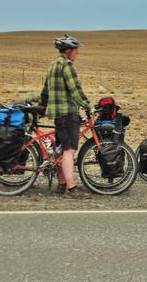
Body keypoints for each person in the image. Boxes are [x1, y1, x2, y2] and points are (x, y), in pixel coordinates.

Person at [40, 34, 91, 197]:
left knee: (61, 150)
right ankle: (71, 188)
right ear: (68, 50)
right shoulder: (67, 66)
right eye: (76, 50)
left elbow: (45, 91)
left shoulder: (53, 66)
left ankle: (61, 184)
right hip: (68, 113)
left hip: (58, 114)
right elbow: (75, 89)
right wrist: (86, 104)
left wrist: (43, 107)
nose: (77, 53)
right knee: (69, 150)